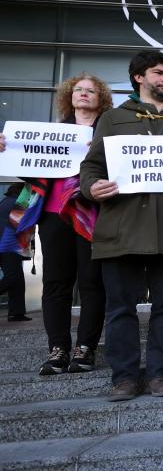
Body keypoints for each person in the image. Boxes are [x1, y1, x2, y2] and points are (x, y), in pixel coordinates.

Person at [80, 50, 163, 401]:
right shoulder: (113, 118)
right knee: (121, 307)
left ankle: (159, 374)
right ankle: (124, 377)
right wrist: (92, 188)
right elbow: (92, 167)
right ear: (139, 77)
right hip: (122, 228)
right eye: (159, 73)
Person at [0, 73, 113, 374]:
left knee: (91, 283)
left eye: (91, 90)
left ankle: (85, 349)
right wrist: (8, 151)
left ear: (101, 98)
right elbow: (33, 170)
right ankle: (57, 350)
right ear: (69, 96)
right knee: (56, 283)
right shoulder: (51, 132)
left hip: (93, 215)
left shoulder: (110, 132)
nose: (84, 94)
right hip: (53, 215)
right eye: (78, 90)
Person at [0, 183, 29, 322]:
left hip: (7, 245)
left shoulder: (6, 201)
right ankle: (16, 312)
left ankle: (16, 313)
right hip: (7, 246)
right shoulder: (16, 203)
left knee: (17, 279)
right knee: (13, 277)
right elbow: (23, 223)